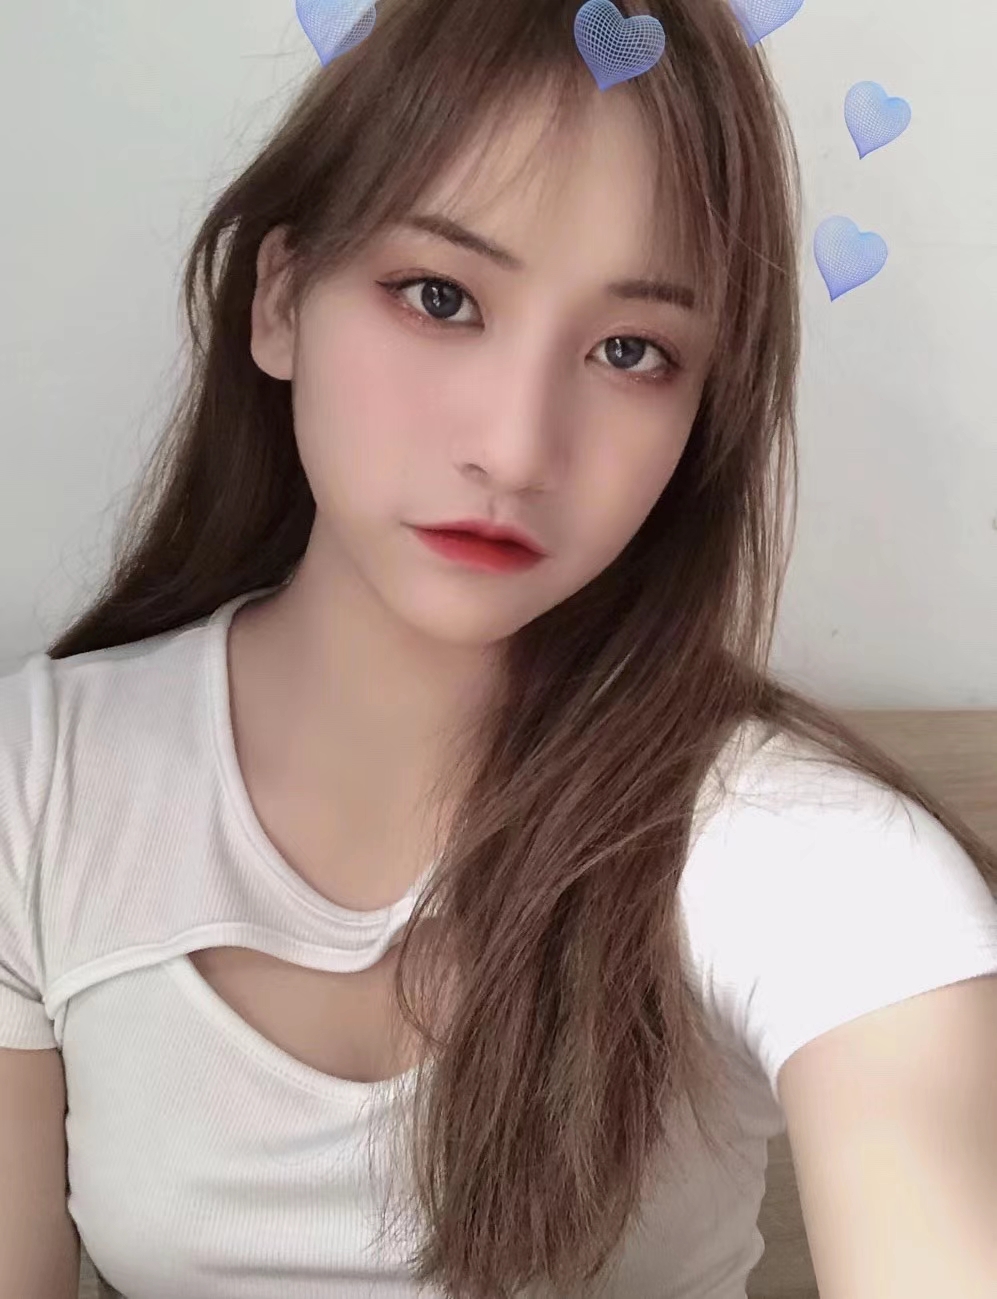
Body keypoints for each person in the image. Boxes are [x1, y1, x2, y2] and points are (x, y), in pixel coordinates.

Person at [2, 0, 995, 1296]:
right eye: (441, 296)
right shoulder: (42, 785)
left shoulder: (814, 861)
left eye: (631, 351)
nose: (517, 448)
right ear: (281, 298)